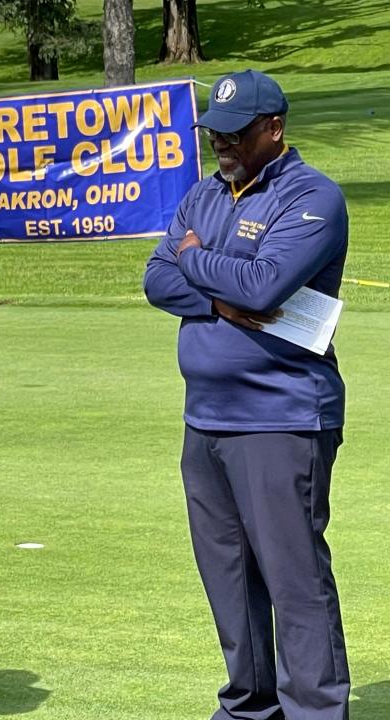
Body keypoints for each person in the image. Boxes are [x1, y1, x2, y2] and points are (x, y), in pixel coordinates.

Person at [144, 69, 351, 720]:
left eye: (235, 133)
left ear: (274, 130)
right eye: (213, 133)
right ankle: (251, 708)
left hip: (282, 413)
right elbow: (156, 279)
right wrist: (220, 294)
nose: (221, 144)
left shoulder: (313, 198)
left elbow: (263, 288)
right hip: (206, 419)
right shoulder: (204, 195)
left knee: (294, 585)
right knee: (229, 583)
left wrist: (201, 265)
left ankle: (315, 712)